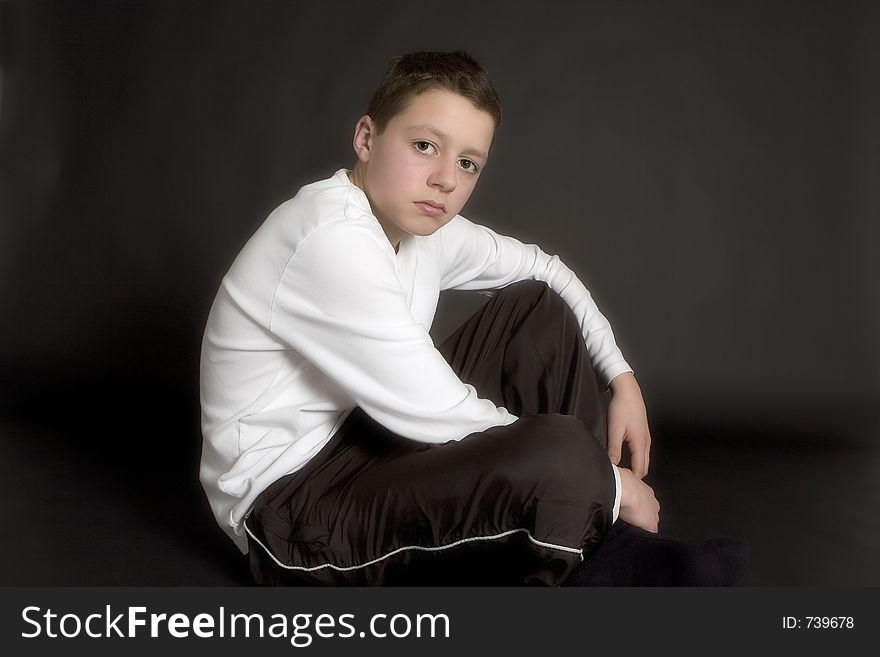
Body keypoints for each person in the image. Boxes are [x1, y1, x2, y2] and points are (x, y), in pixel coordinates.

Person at [199, 51, 747, 586]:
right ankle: (603, 550)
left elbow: (546, 270)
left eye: (467, 163)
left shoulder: (417, 226)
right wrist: (611, 483)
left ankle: (587, 538)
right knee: (560, 453)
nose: (445, 179)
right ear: (367, 138)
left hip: (362, 438)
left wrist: (620, 376)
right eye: (423, 146)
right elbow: (437, 409)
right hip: (288, 515)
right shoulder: (328, 237)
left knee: (538, 312)